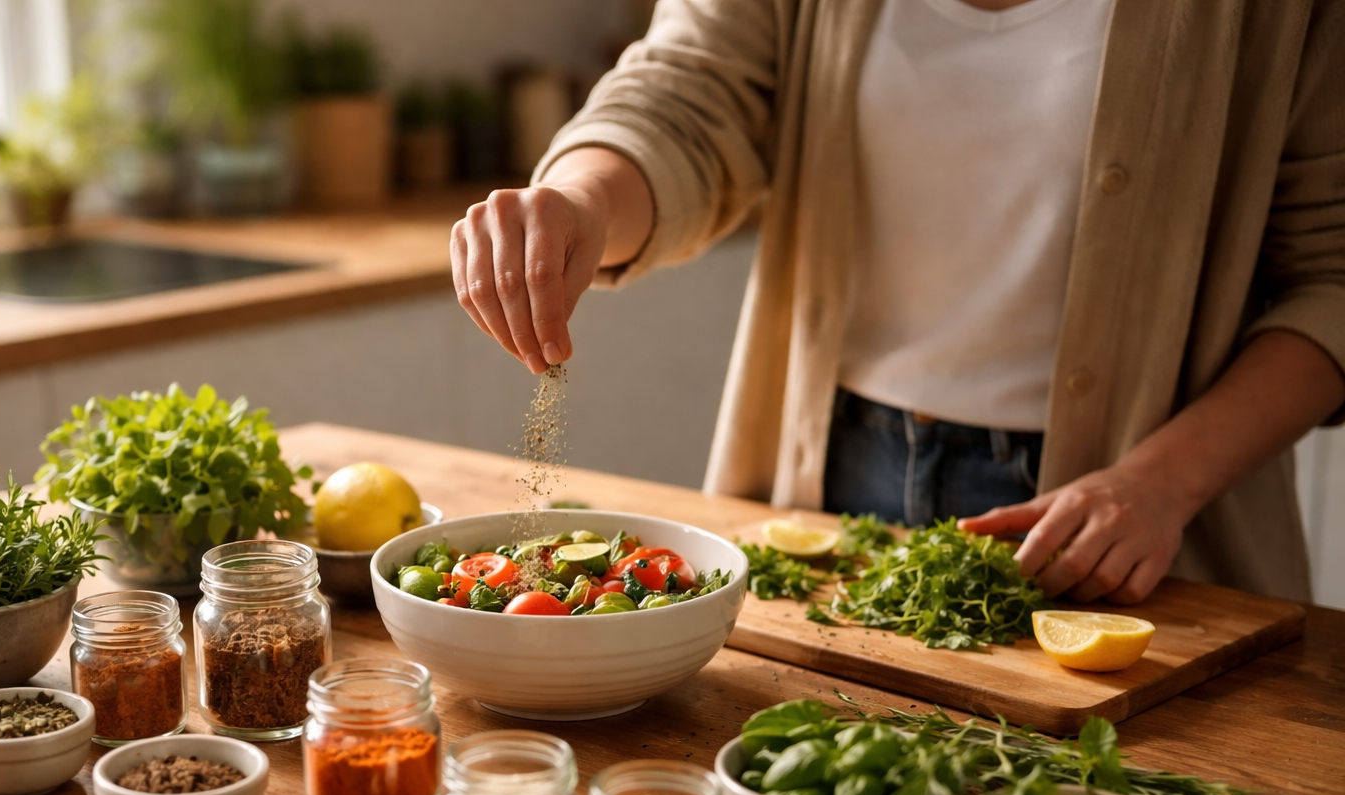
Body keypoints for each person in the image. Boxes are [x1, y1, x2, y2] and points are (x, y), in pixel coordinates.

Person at [450, 0, 1345, 604]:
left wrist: (1158, 485)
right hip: (831, 479)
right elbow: (686, 91)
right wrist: (580, 200)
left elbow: (1331, 274)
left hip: (1132, 528)